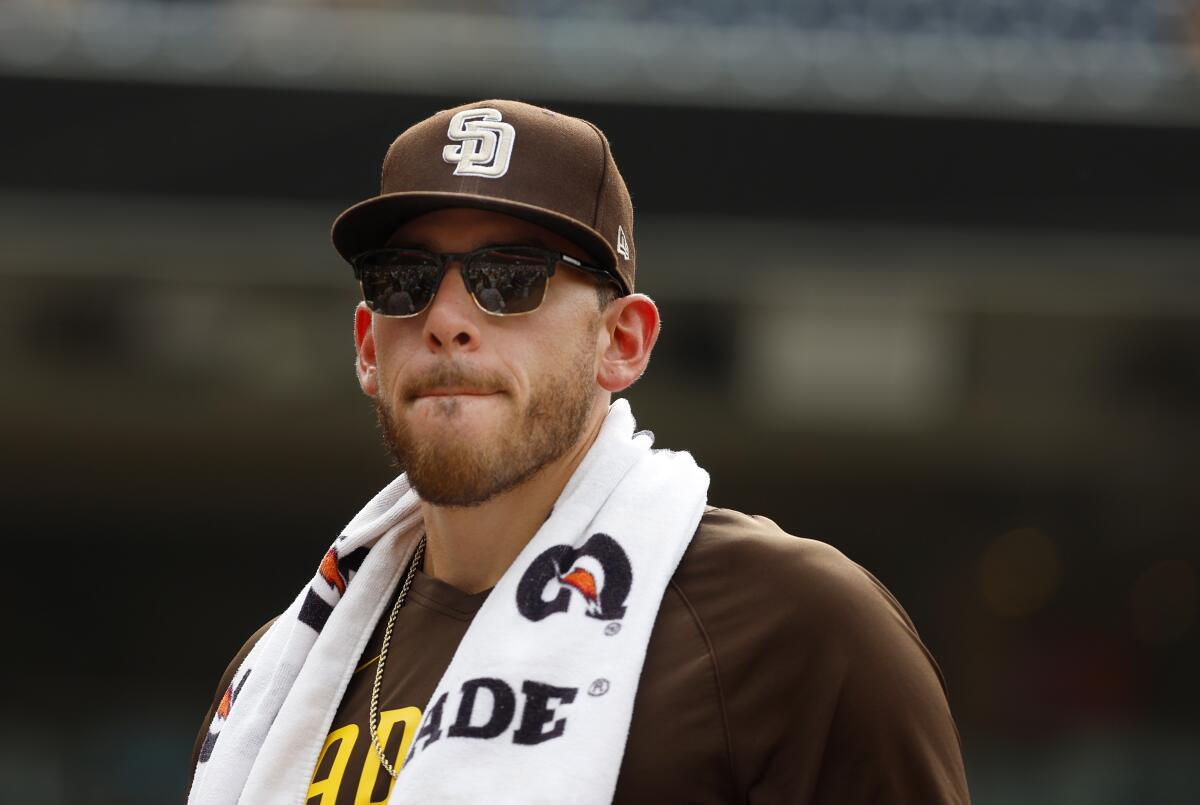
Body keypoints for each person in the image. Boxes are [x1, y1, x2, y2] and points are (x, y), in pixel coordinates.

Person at [188, 100, 971, 805]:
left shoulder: (797, 628)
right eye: (405, 279)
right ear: (367, 347)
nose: (449, 318)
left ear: (621, 342)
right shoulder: (280, 674)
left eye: (510, 277)